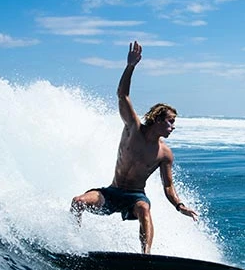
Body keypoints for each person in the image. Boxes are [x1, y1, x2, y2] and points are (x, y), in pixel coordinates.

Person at [70, 41, 198, 254]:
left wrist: (179, 206)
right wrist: (130, 66)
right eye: (170, 121)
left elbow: (168, 187)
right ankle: (72, 245)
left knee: (144, 210)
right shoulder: (133, 129)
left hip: (135, 196)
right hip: (112, 193)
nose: (173, 127)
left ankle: (145, 256)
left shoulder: (165, 153)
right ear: (157, 119)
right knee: (78, 202)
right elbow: (123, 95)